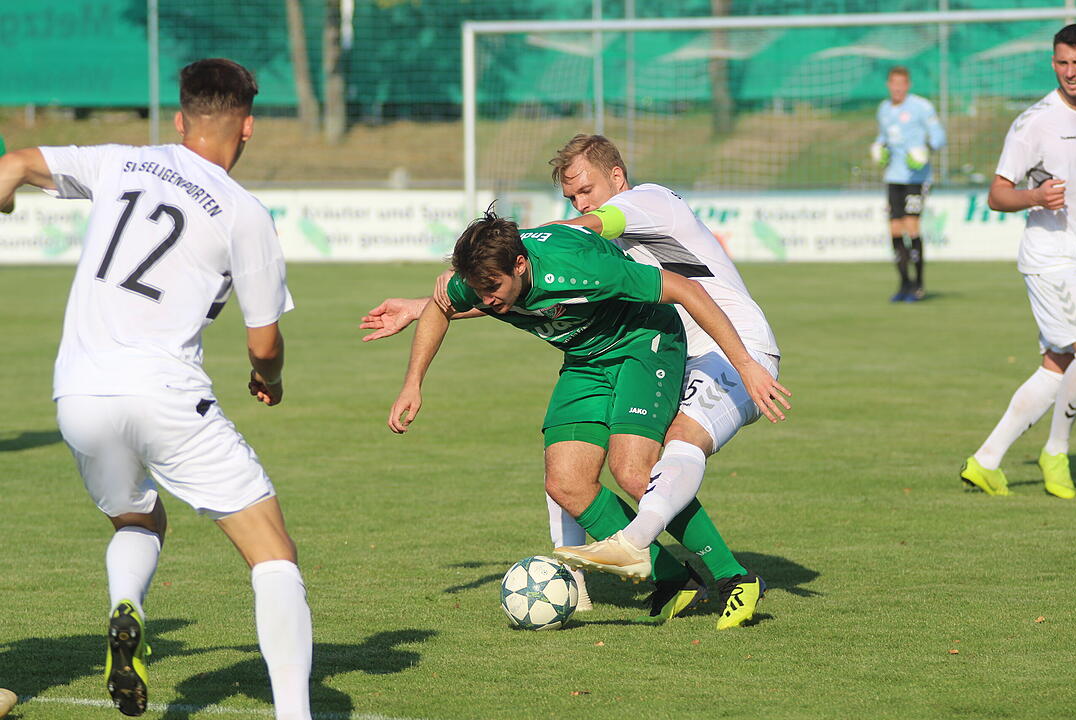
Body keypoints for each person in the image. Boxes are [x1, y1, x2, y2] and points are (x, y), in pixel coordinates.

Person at [363, 135, 789, 629]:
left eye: (586, 188)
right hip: (592, 356)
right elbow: (460, 300)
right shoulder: (501, 274)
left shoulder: (614, 230)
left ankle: (733, 578)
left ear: (615, 173)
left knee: (638, 468)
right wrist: (414, 373)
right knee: (565, 482)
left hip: (666, 343)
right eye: (571, 195)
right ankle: (672, 579)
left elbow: (637, 259)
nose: (581, 201)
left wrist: (747, 364)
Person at [0, 59, 313, 718]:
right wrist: (268, 379)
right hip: (167, 393)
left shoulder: (123, 161)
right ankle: (294, 713)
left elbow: (19, 160)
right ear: (248, 127)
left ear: (178, 119)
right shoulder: (242, 213)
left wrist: (7, 185)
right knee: (272, 552)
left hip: (79, 394)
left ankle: (129, 605)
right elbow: (264, 343)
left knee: (138, 517)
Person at [960, 24, 1076, 500]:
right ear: (1052, 63)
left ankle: (986, 461)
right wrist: (1035, 195)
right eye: (1062, 63)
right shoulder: (1035, 122)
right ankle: (1056, 450)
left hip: (1075, 257)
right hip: (1051, 259)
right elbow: (996, 193)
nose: (1070, 73)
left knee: (1057, 364)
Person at [871, 65, 946, 302]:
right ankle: (903, 284)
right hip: (894, 177)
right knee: (894, 230)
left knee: (912, 226)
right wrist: (878, 148)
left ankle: (919, 285)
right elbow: (884, 137)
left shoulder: (921, 107)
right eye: (894, 83)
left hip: (917, 178)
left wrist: (926, 150)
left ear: (908, 85)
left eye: (902, 84)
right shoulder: (883, 109)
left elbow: (939, 136)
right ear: (888, 85)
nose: (898, 88)